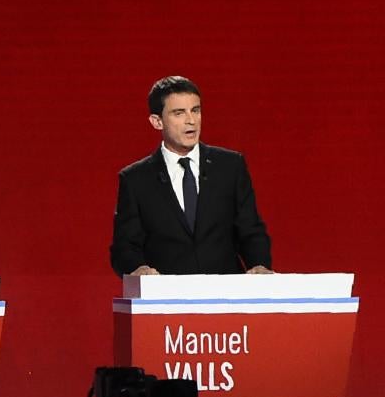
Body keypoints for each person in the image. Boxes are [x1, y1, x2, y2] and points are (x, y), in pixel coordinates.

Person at [110, 75, 274, 276]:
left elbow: (251, 231)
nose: (191, 120)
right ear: (157, 122)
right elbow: (124, 247)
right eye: (179, 113)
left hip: (226, 296)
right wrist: (138, 269)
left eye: (195, 110)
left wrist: (259, 265)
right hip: (167, 299)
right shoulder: (135, 179)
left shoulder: (230, 166)